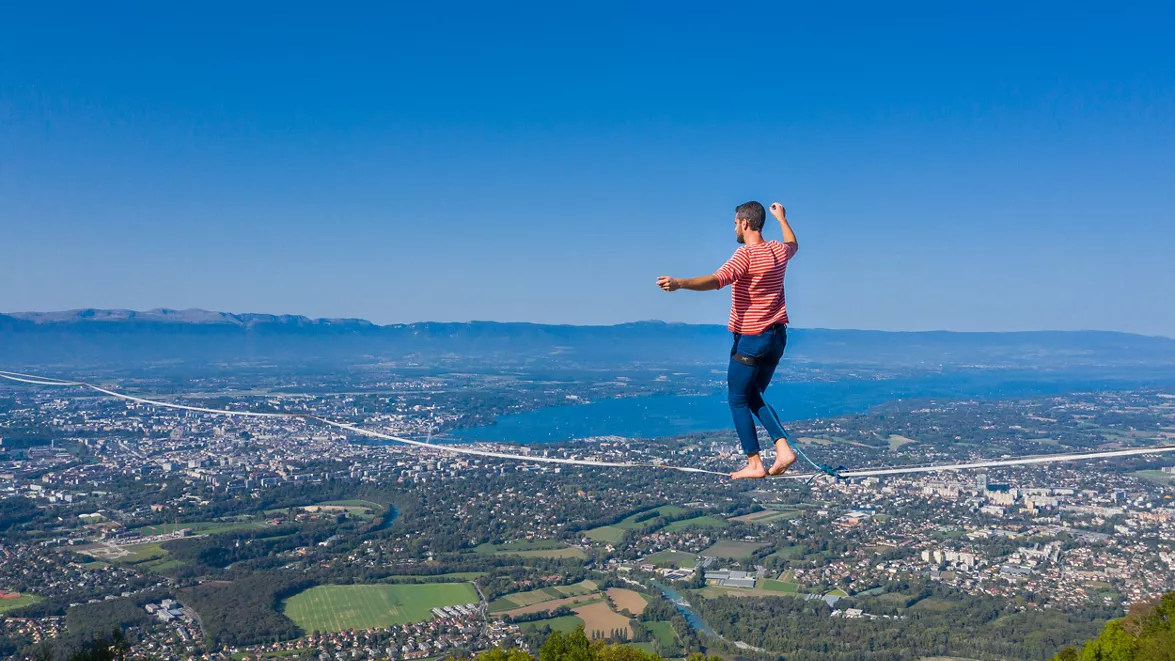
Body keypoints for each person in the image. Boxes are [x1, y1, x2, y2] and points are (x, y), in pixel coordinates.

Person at [656, 201, 799, 479]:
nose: (734, 227)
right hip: (777, 338)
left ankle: (755, 463)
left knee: (737, 400)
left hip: (751, 338)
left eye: (735, 222)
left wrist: (679, 283)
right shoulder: (778, 251)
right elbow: (792, 243)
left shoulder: (745, 255)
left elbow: (716, 280)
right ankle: (783, 449)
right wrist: (782, 219)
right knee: (753, 395)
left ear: (745, 223)